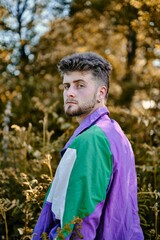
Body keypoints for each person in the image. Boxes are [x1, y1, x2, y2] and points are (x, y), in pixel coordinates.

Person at [32, 52, 144, 239]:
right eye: (66, 86)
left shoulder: (91, 140)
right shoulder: (114, 133)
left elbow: (78, 224)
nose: (70, 92)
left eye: (80, 85)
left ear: (101, 92)